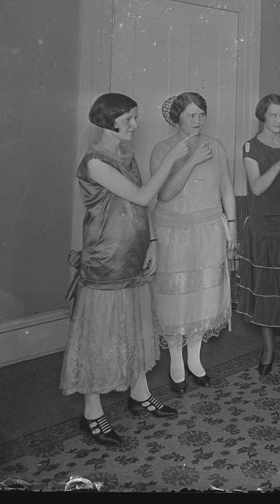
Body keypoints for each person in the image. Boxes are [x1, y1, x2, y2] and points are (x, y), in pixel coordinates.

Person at [63, 92, 204, 446]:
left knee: (135, 324)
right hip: (107, 259)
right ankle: (92, 413)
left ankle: (139, 393)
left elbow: (141, 207)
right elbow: (142, 195)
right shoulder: (95, 163)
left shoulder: (124, 154)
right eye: (129, 121)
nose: (135, 126)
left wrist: (152, 241)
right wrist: (172, 156)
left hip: (135, 253)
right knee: (100, 335)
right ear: (108, 122)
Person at [149, 92, 236, 393]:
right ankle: (176, 362)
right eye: (191, 115)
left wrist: (232, 227)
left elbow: (226, 187)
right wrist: (192, 160)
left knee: (202, 295)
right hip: (174, 232)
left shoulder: (217, 146)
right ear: (177, 118)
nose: (198, 120)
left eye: (201, 114)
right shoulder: (162, 150)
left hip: (208, 229)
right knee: (177, 296)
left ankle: (195, 360)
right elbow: (165, 194)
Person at [235, 93, 280, 375]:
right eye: (274, 115)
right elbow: (256, 188)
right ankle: (268, 350)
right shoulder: (250, 147)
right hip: (263, 227)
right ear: (262, 116)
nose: (279, 120)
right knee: (266, 290)